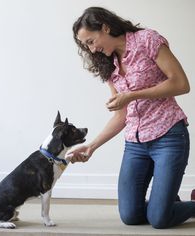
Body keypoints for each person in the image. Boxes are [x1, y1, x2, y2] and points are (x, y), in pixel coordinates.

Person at [68, 6, 195, 229]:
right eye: (86, 45)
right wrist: (91, 147)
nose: (92, 49)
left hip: (169, 136)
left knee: (159, 219)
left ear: (105, 28)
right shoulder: (108, 65)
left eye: (90, 41)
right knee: (130, 215)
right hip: (135, 144)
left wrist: (131, 96)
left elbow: (181, 84)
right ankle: (164, 201)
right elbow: (122, 115)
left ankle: (169, 205)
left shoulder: (147, 40)